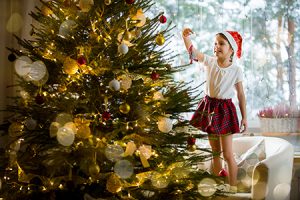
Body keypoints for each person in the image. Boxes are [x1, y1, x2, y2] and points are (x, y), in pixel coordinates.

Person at [182, 28, 247, 192]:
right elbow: (192, 52)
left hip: (225, 111)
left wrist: (244, 118)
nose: (216, 46)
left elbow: (240, 94)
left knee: (227, 154)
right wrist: (186, 38)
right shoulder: (210, 61)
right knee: (215, 152)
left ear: (231, 49)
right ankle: (220, 184)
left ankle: (232, 187)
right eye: (215, 43)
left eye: (221, 44)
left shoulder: (236, 70)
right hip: (209, 108)